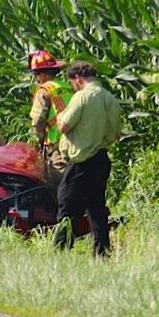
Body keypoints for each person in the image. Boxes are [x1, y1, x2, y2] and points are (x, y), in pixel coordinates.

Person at [53, 61, 122, 256]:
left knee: (66, 204)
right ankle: (102, 252)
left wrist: (59, 115)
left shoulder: (82, 97)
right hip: (102, 158)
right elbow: (116, 133)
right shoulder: (110, 98)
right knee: (96, 207)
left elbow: (63, 126)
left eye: (72, 82)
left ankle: (61, 251)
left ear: (77, 78)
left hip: (82, 161)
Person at [27, 49, 73, 192]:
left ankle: (67, 213)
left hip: (56, 143)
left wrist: (39, 140)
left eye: (37, 75)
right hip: (74, 139)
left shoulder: (44, 91)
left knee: (58, 183)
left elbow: (37, 120)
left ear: (43, 74)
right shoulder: (67, 87)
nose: (37, 79)